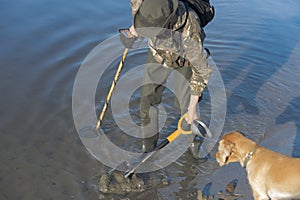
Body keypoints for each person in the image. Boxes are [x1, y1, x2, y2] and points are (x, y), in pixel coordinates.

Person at [124, 0, 212, 154]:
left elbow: (201, 70)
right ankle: (148, 146)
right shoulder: (142, 4)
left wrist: (193, 106)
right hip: (157, 55)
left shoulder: (190, 28)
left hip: (184, 61)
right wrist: (135, 29)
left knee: (185, 107)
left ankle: (194, 143)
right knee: (147, 99)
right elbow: (137, 11)